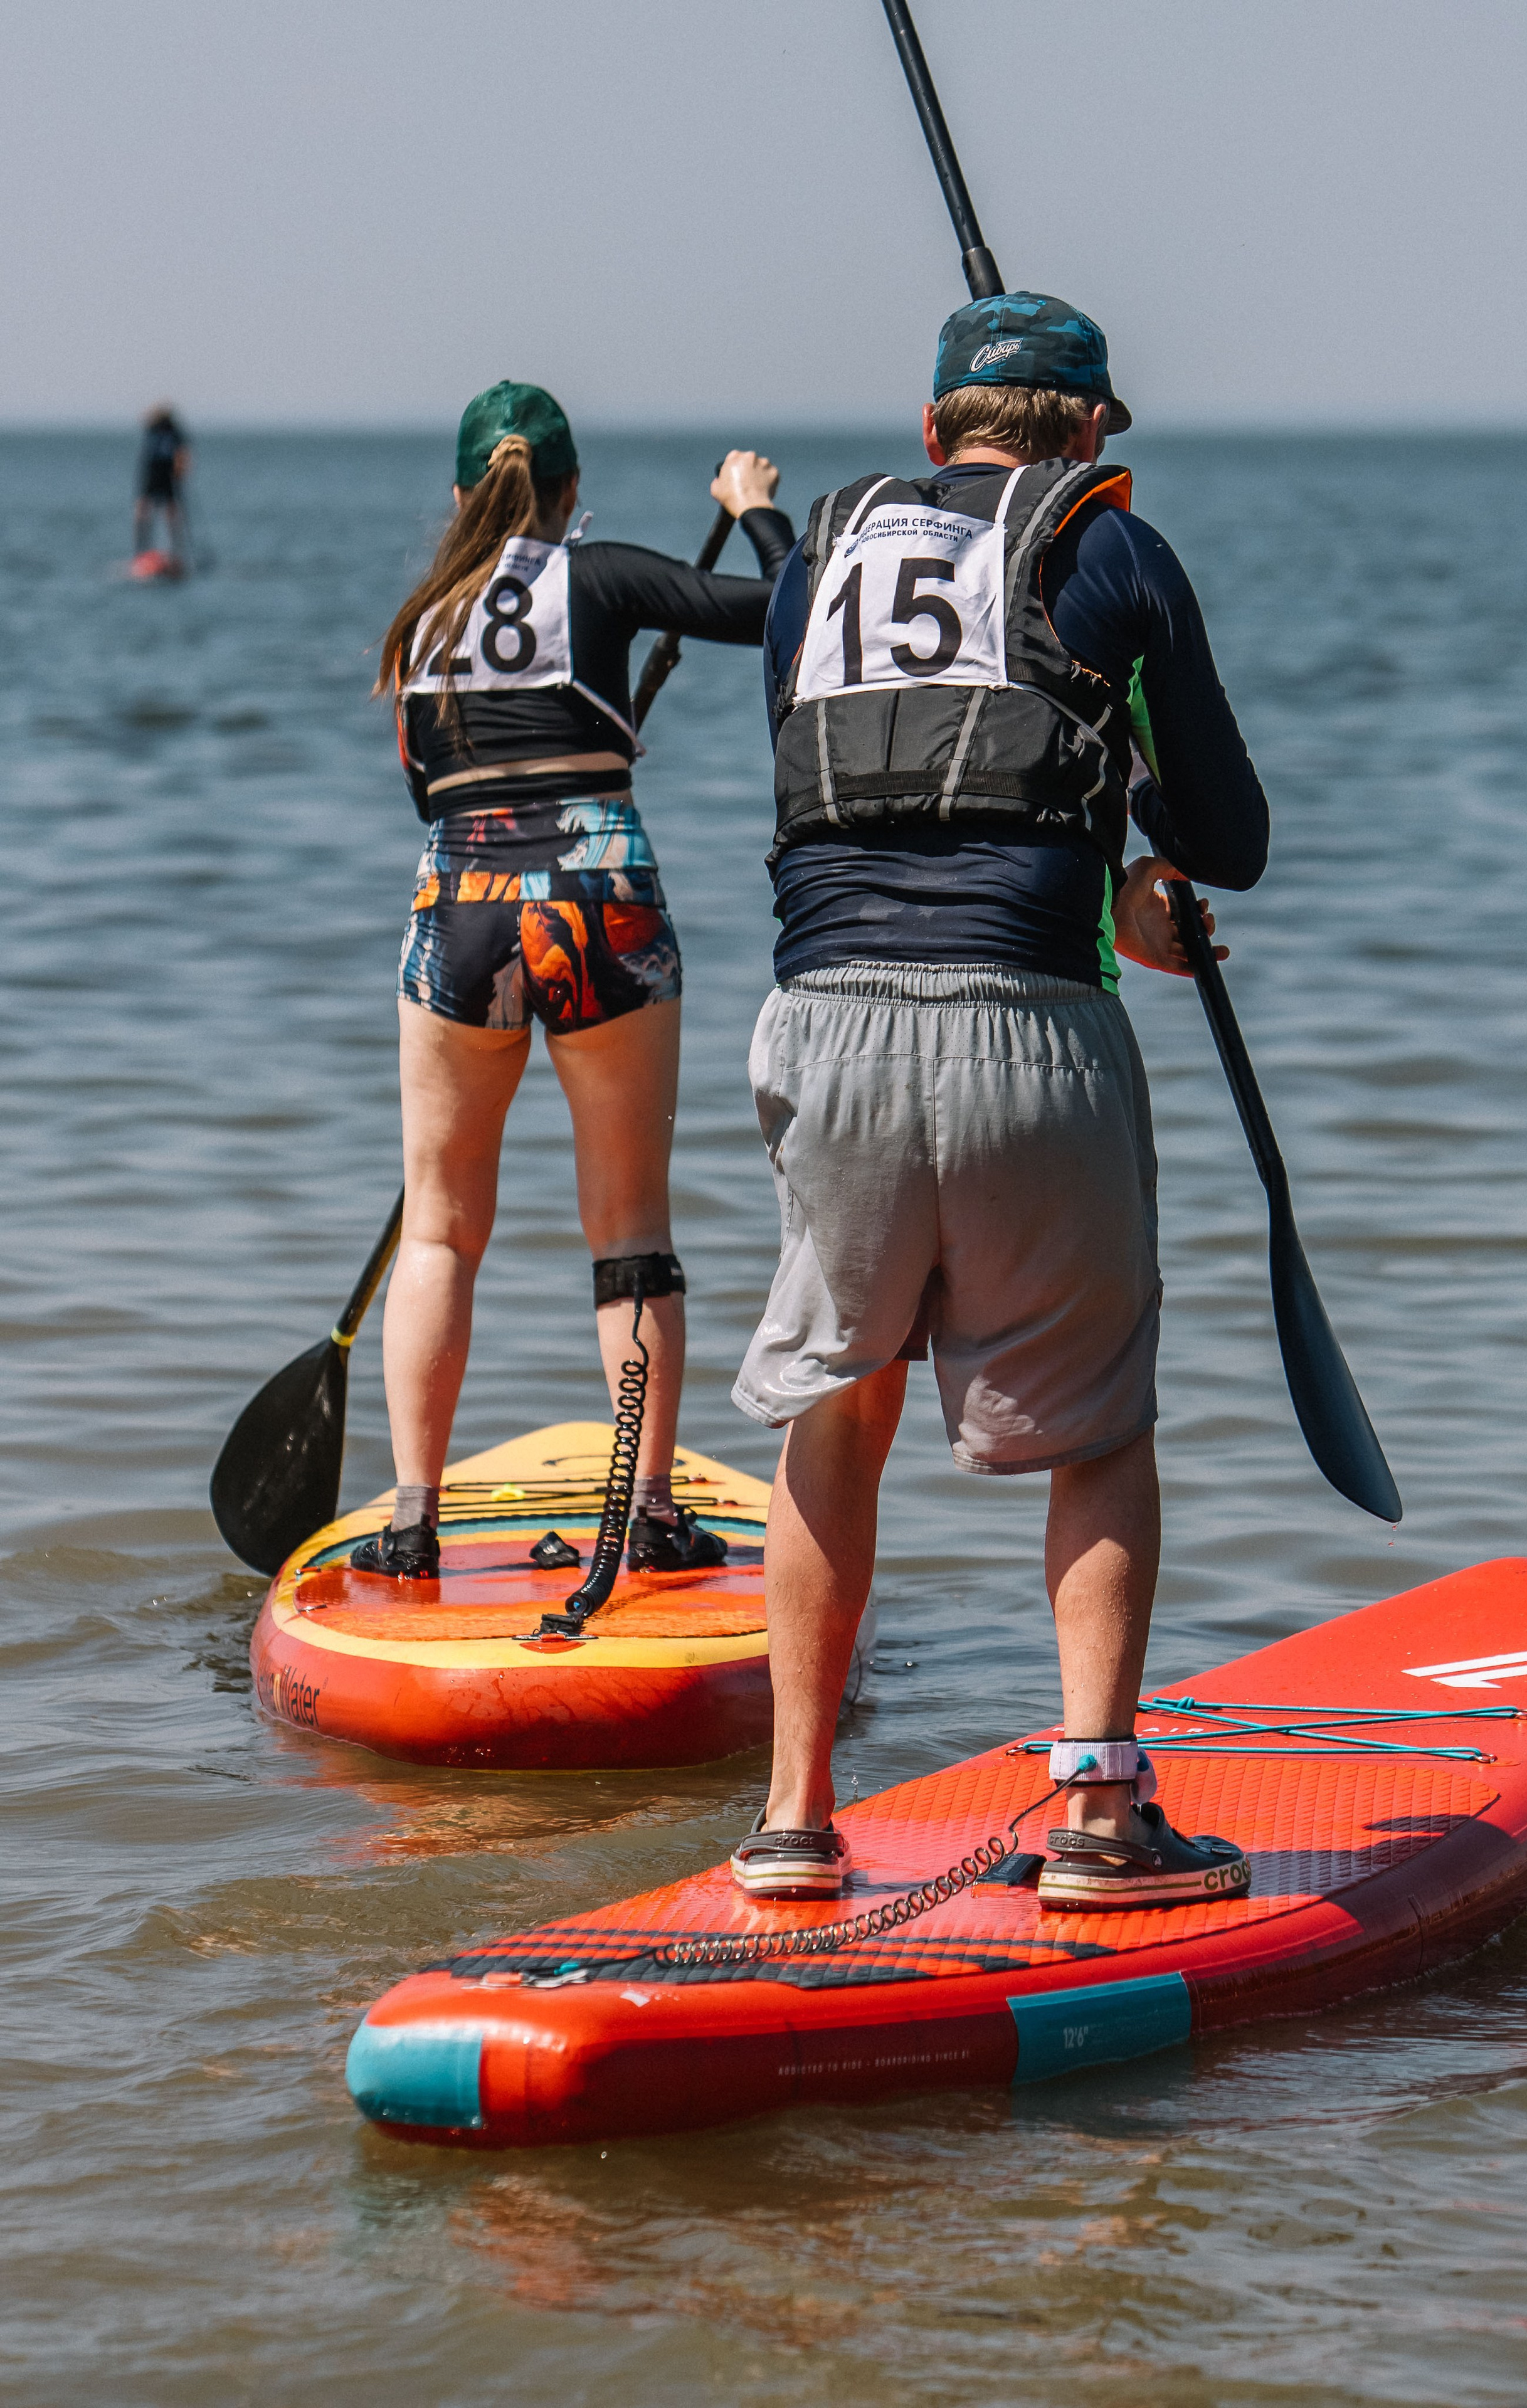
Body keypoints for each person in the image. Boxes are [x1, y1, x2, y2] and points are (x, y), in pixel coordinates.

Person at [729, 295, 1269, 1909]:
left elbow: (873, 795)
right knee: (1095, 1424)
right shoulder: (1113, 546)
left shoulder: (813, 562)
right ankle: (1097, 1817)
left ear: (930, 432)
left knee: (837, 1402)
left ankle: (791, 1819)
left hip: (820, 1030)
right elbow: (1226, 834)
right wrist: (1133, 879)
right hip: (1031, 1035)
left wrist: (1099, 868)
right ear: (1090, 432)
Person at [354, 381, 793, 1579]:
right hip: (602, 899)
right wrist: (754, 508)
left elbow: (430, 791)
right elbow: (794, 612)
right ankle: (647, 1513)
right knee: (630, 1230)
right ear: (572, 491)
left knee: (440, 1227)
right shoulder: (602, 579)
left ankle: (412, 1523)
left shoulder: (416, 627)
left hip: (461, 907)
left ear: (461, 496)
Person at [132, 404, 189, 563]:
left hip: (168, 475)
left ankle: (176, 551)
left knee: (171, 512)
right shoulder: (152, 429)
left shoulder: (174, 432)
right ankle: (141, 550)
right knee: (143, 510)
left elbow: (183, 454)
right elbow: (143, 418)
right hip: (151, 474)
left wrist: (181, 472)